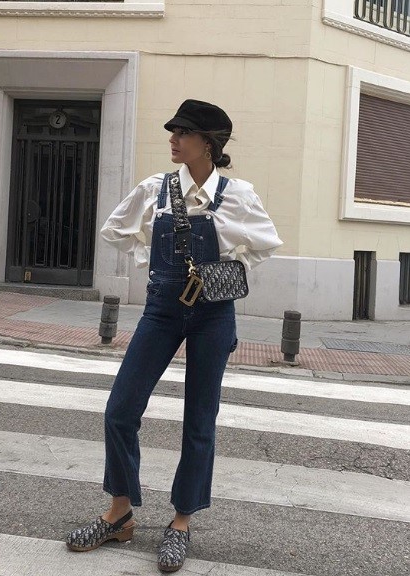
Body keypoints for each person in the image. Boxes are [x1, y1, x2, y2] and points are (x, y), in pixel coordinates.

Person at [65, 99, 283, 572]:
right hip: (163, 310)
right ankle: (120, 513)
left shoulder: (238, 194)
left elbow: (266, 244)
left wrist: (227, 268)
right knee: (120, 410)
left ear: (209, 143)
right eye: (174, 131)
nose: (173, 139)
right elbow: (115, 230)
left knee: (199, 420)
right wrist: (154, 262)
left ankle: (181, 522)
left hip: (213, 315)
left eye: (183, 132)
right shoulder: (155, 188)